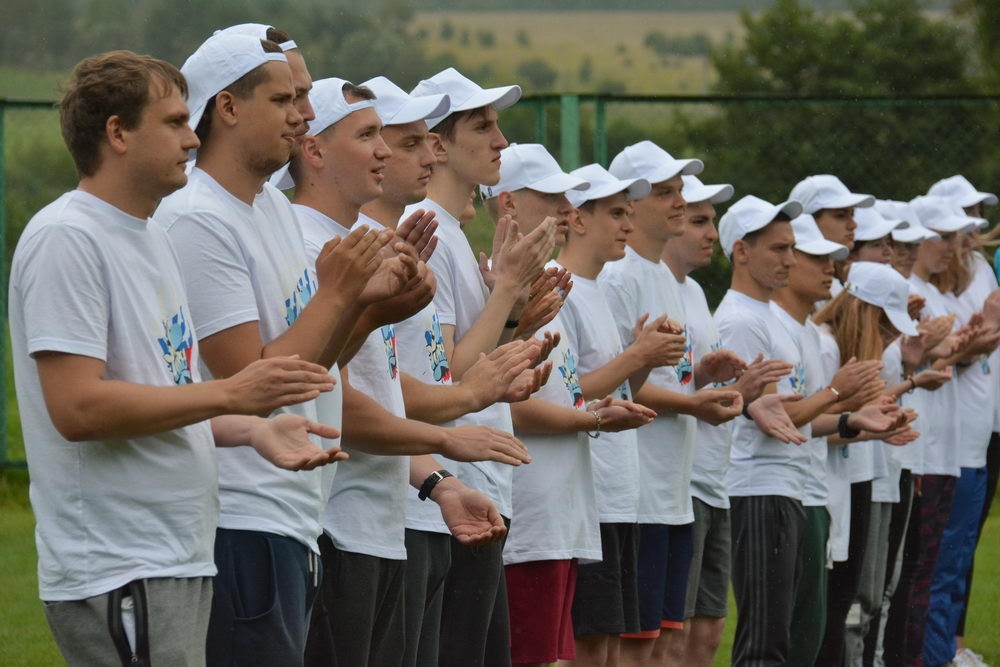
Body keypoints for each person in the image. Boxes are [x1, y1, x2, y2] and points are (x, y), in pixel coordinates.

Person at [11, 49, 342, 667]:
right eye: (173, 123)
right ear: (117, 133)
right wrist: (232, 394)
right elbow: (77, 407)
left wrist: (251, 430)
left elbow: (165, 395)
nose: (192, 139)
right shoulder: (67, 237)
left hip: (175, 554)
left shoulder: (150, 236)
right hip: (118, 562)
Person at [153, 33, 392, 666]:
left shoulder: (271, 210)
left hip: (292, 512)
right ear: (228, 107)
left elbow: (315, 366)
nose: (305, 115)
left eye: (304, 97)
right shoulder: (198, 216)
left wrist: (369, 307)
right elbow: (251, 383)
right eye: (286, 99)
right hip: (241, 517)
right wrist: (338, 295)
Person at [286, 76, 534, 666]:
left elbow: (384, 385)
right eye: (379, 137)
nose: (413, 153)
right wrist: (455, 424)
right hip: (339, 521)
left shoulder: (371, 243)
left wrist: (437, 479)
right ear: (314, 149)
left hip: (392, 514)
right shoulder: (311, 243)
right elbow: (324, 392)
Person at [484, 155, 657, 666]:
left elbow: (565, 394)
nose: (565, 207)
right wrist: (599, 416)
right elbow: (515, 405)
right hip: (533, 508)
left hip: (564, 509)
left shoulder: (555, 286)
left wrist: (601, 405)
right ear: (507, 202)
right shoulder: (525, 286)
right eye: (552, 197)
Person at [409, 67, 555, 667]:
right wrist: (509, 292)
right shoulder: (430, 234)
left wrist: (515, 320)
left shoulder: (448, 233)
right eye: (482, 126)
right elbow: (447, 374)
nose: (501, 141)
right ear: (438, 145)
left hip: (476, 483)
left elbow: (473, 365)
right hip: (446, 486)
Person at [715, 195, 884, 667]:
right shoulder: (742, 320)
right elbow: (778, 420)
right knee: (766, 641)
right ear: (741, 251)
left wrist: (850, 418)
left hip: (792, 485)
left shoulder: (774, 320)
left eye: (792, 249)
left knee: (800, 636)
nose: (789, 260)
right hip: (760, 486)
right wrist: (838, 392)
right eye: (779, 249)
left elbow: (792, 416)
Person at [604, 142, 748, 667]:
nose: (680, 202)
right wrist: (693, 406)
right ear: (631, 202)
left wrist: (701, 377)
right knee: (630, 645)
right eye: (664, 192)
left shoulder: (666, 278)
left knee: (666, 641)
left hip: (673, 489)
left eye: (679, 190)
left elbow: (665, 375)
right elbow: (614, 386)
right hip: (638, 488)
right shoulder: (618, 277)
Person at [662, 175, 800, 667]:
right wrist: (740, 396)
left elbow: (686, 381)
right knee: (665, 636)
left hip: (711, 480)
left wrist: (720, 383)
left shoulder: (696, 294)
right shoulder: (646, 285)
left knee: (707, 631)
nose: (708, 233)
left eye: (710, 220)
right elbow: (632, 385)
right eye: (697, 220)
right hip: (677, 482)